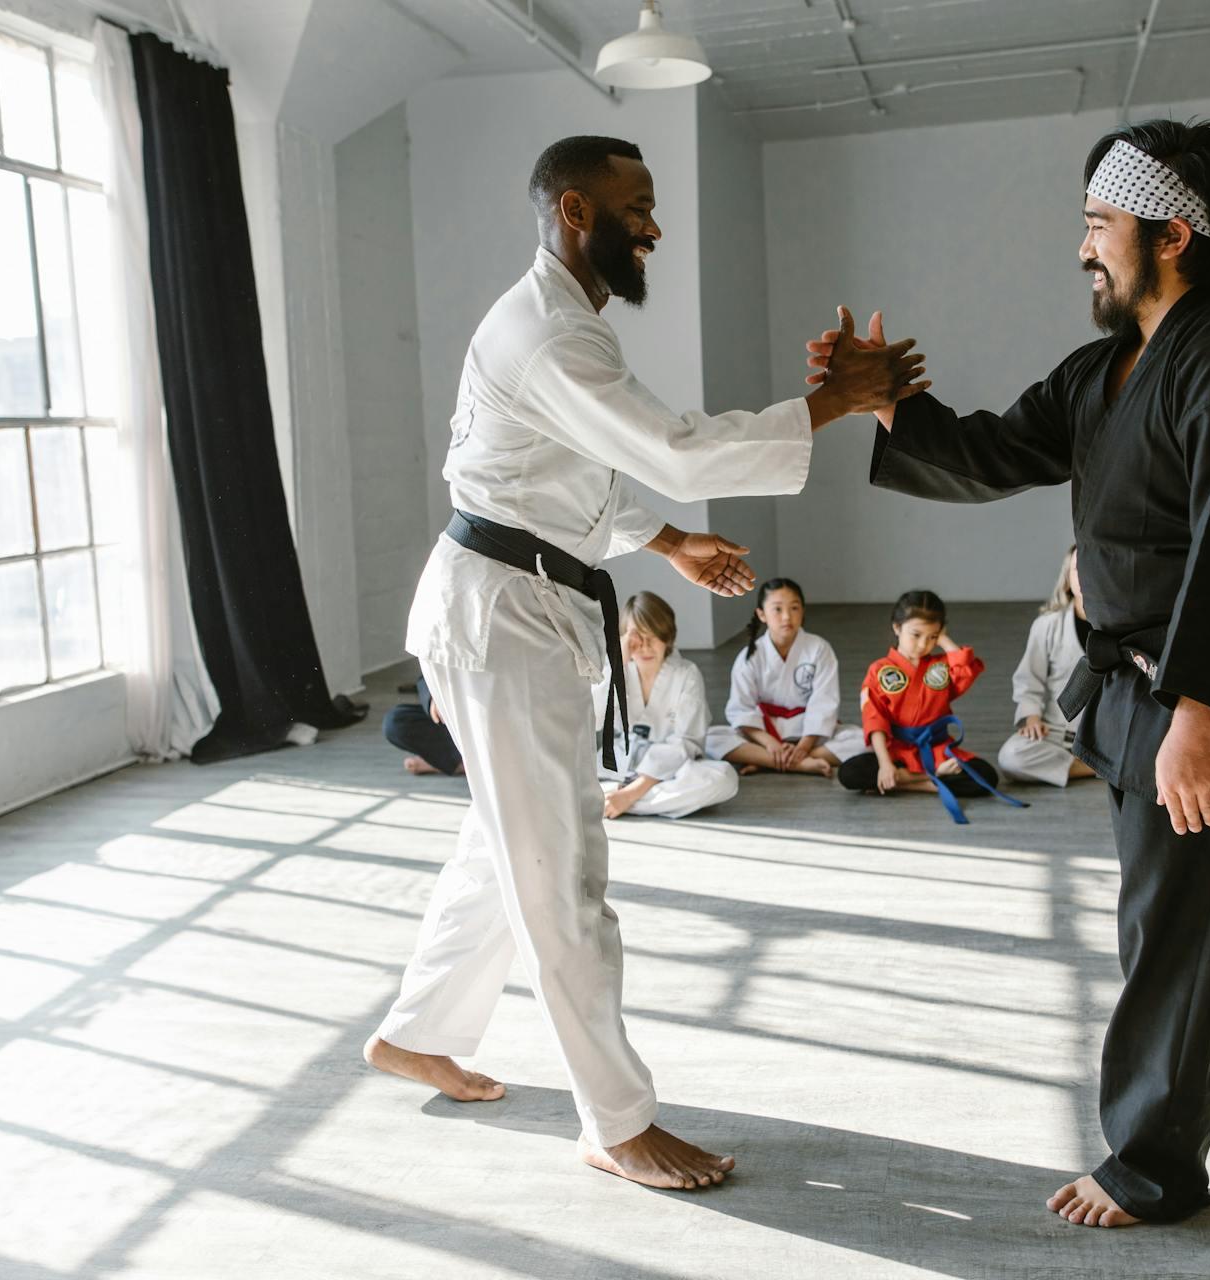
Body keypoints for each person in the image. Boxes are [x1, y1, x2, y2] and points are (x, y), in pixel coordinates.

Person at [811, 119, 1210, 1226]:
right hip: (1141, 694)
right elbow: (998, 449)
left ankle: (1152, 1166)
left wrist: (1201, 718)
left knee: (1171, 929)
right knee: (1209, 916)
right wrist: (883, 402)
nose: (1083, 248)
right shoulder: (1108, 368)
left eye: (1099, 225)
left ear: (1171, 232)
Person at [364, 134, 925, 1193]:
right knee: (562, 875)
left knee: (506, 843)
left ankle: (417, 1029)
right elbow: (668, 446)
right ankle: (615, 1120)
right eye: (639, 208)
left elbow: (560, 478)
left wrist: (669, 543)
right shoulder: (546, 333)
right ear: (577, 210)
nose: (655, 227)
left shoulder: (566, 323)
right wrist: (831, 402)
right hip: (502, 616)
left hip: (517, 599)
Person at [838, 590, 1025, 824]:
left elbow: (965, 670)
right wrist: (885, 764)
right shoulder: (879, 670)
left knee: (985, 776)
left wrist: (944, 640)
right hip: (897, 750)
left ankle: (908, 782)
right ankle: (929, 782)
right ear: (897, 628)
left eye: (932, 637)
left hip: (936, 749)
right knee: (850, 772)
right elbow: (874, 720)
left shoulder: (941, 666)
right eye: (915, 634)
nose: (922, 644)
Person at [704, 578, 868, 776]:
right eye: (778, 609)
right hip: (764, 730)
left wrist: (803, 747)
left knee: (865, 741)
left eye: (794, 608)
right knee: (709, 738)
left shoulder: (819, 649)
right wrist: (771, 744)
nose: (786, 617)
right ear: (761, 614)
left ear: (803, 611)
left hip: (807, 727)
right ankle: (801, 763)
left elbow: (824, 703)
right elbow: (741, 709)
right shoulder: (750, 655)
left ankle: (765, 760)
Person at [595, 592, 737, 819]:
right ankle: (627, 800)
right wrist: (616, 666)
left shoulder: (686, 674)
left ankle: (613, 802)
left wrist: (631, 794)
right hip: (620, 763)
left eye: (653, 636)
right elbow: (592, 719)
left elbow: (686, 742)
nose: (645, 646)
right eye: (637, 636)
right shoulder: (616, 669)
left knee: (724, 779)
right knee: (566, 778)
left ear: (667, 637)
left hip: (671, 768)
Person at [996, 546, 1097, 786]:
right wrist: (1030, 716)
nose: (1085, 576)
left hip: (1107, 735)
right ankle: (1093, 768)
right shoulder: (1047, 625)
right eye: (1077, 569)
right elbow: (1029, 679)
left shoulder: (1123, 627)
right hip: (1056, 733)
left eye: (1093, 569)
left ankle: (1097, 762)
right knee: (1011, 757)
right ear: (1067, 577)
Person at [382, 676, 463, 776]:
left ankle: (461, 764)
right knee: (395, 722)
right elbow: (424, 677)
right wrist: (432, 699)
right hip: (458, 719)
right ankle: (459, 762)